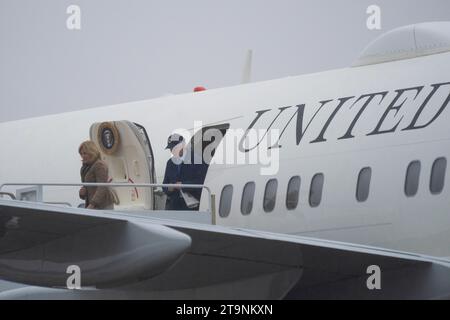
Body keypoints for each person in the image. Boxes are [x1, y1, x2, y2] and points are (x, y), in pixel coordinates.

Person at [162, 134, 209, 210]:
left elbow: (204, 181)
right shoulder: (170, 163)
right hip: (174, 206)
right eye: (171, 148)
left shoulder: (197, 160)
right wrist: (169, 188)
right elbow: (164, 185)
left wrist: (184, 185)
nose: (172, 151)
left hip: (193, 206)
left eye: (175, 148)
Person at [78, 140, 114, 210]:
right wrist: (82, 193)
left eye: (85, 153)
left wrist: (92, 204)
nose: (82, 156)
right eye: (81, 154)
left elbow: (102, 187)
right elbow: (86, 187)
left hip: (102, 206)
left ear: (92, 152)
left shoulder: (99, 165)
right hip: (92, 205)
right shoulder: (85, 168)